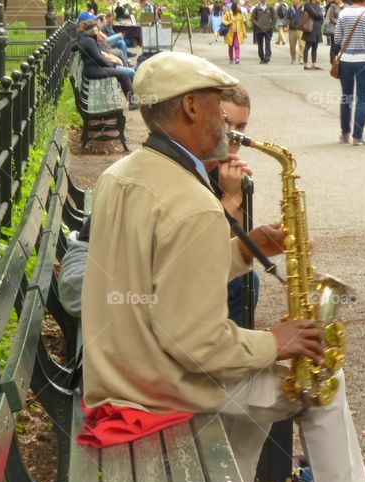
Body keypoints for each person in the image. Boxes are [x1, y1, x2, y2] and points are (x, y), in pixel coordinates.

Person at [78, 50, 365, 482]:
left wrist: (244, 249)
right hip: (160, 385)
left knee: (259, 393)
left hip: (119, 369)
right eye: (220, 106)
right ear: (192, 108)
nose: (227, 122)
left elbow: (155, 277)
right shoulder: (191, 202)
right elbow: (197, 344)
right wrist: (277, 341)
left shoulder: (122, 175)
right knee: (319, 379)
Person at [58, 85, 259, 326]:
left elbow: (213, 256)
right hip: (91, 276)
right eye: (225, 122)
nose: (233, 136)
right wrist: (229, 201)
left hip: (146, 271)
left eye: (241, 127)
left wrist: (236, 201)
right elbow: (189, 252)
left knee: (244, 280)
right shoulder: (169, 166)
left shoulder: (229, 176)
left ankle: (215, 352)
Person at [334, 0, 365, 144]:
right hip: (364, 60)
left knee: (346, 97)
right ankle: (357, 136)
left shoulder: (343, 13)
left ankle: (345, 132)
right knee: (362, 98)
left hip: (346, 59)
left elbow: (336, 39)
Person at [76, 18, 137, 110]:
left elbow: (75, 47)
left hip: (94, 69)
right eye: (97, 29)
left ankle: (133, 100)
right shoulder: (89, 41)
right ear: (92, 30)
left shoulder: (87, 39)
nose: (99, 31)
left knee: (123, 74)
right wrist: (112, 66)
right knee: (123, 75)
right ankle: (132, 102)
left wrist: (112, 65)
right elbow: (98, 58)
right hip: (94, 71)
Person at [302, 0, 326, 69]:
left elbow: (320, 15)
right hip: (310, 28)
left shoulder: (317, 5)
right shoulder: (308, 5)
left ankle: (314, 63)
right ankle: (306, 63)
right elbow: (314, 14)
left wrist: (319, 15)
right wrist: (319, 14)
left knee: (315, 47)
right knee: (308, 46)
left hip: (317, 28)